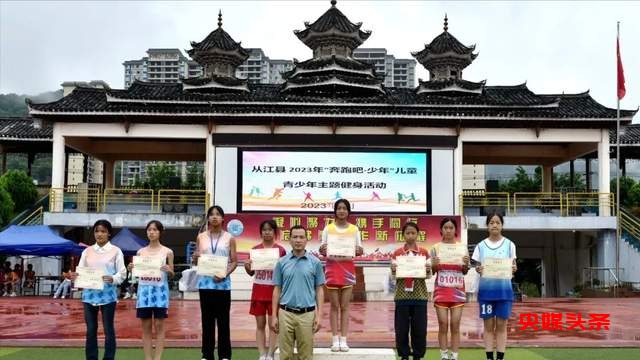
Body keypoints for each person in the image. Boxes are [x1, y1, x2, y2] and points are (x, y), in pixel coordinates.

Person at [74, 219, 126, 360]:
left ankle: (108, 358)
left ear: (109, 233)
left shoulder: (116, 251)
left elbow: (122, 273)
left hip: (108, 296)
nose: (99, 234)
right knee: (91, 330)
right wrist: (74, 276)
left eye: (103, 231)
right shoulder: (87, 251)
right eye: (97, 231)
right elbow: (80, 272)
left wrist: (113, 278)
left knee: (108, 329)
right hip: (89, 296)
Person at [271, 225, 325, 360]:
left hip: (307, 315)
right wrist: (274, 315)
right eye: (295, 237)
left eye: (301, 237)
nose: (298, 240)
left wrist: (319, 316)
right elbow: (277, 289)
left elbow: (319, 289)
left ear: (307, 240)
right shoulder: (281, 263)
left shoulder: (315, 263)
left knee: (306, 355)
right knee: (285, 356)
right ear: (289, 240)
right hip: (285, 313)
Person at [193, 205, 238, 360]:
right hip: (205, 284)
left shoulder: (229, 238)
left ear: (223, 218)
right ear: (208, 218)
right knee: (207, 321)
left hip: (223, 285)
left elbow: (234, 261)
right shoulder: (201, 237)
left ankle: (225, 355)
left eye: (218, 214)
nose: (214, 217)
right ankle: (207, 354)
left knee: (223, 321)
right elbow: (196, 259)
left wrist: (224, 273)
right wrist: (195, 257)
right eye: (211, 214)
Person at [318, 198, 363, 352]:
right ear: (335, 211)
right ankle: (334, 339)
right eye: (339, 208)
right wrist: (322, 249)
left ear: (348, 211)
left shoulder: (354, 229)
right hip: (332, 270)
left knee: (345, 306)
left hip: (348, 271)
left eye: (344, 208)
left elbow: (359, 249)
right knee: (334, 305)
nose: (342, 211)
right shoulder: (328, 229)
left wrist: (359, 250)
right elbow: (322, 249)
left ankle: (344, 339)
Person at [472, 211, 517, 360]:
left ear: (502, 225)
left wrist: (513, 268)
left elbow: (513, 266)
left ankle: (500, 357)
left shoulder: (510, 244)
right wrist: (478, 269)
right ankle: (489, 357)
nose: (495, 225)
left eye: (498, 222)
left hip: (504, 292)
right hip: (486, 292)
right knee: (488, 326)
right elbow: (478, 267)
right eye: (491, 222)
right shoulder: (480, 246)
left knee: (502, 325)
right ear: (487, 226)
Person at [129, 220, 174, 360]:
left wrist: (169, 270)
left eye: (155, 230)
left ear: (160, 232)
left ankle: (158, 358)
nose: (151, 232)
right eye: (149, 230)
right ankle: (148, 358)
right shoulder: (140, 252)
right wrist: (131, 268)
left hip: (160, 293)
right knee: (146, 326)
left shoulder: (168, 252)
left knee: (160, 326)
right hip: (144, 293)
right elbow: (136, 274)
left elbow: (172, 274)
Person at [244, 219, 287, 360]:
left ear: (275, 232)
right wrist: (247, 266)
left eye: (270, 229)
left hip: (274, 293)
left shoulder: (280, 251)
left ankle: (271, 354)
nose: (267, 232)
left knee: (274, 325)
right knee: (260, 325)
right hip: (258, 292)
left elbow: (284, 273)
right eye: (264, 230)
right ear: (260, 232)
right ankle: (262, 354)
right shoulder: (255, 250)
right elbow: (251, 272)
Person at [390, 222, 431, 360]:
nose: (410, 235)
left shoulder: (424, 253)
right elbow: (393, 276)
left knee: (419, 329)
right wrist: (394, 270)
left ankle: (418, 355)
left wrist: (427, 270)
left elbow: (429, 275)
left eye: (413, 233)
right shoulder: (397, 253)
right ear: (403, 235)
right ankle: (404, 354)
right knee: (401, 329)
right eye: (407, 233)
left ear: (417, 235)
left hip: (420, 296)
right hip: (402, 296)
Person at [430, 217, 470, 360]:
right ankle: (443, 355)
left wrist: (465, 265)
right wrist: (433, 264)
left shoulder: (462, 248)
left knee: (455, 323)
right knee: (443, 323)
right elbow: (432, 271)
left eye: (451, 228)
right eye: (445, 228)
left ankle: (454, 355)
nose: (448, 230)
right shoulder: (435, 248)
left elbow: (465, 270)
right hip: (441, 291)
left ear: (455, 230)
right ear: (441, 230)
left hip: (457, 291)